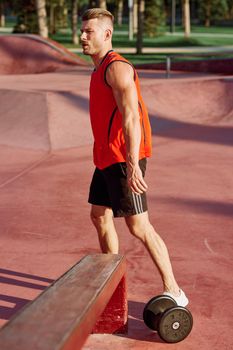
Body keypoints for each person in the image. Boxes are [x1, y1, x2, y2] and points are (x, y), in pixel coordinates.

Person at [81, 8, 188, 307]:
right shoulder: (98, 68)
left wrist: (132, 166)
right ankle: (110, 280)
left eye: (89, 31)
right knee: (99, 216)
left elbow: (132, 119)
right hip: (105, 158)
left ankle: (175, 291)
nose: (82, 36)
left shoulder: (117, 68)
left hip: (123, 158)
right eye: (83, 31)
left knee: (139, 227)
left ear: (107, 34)